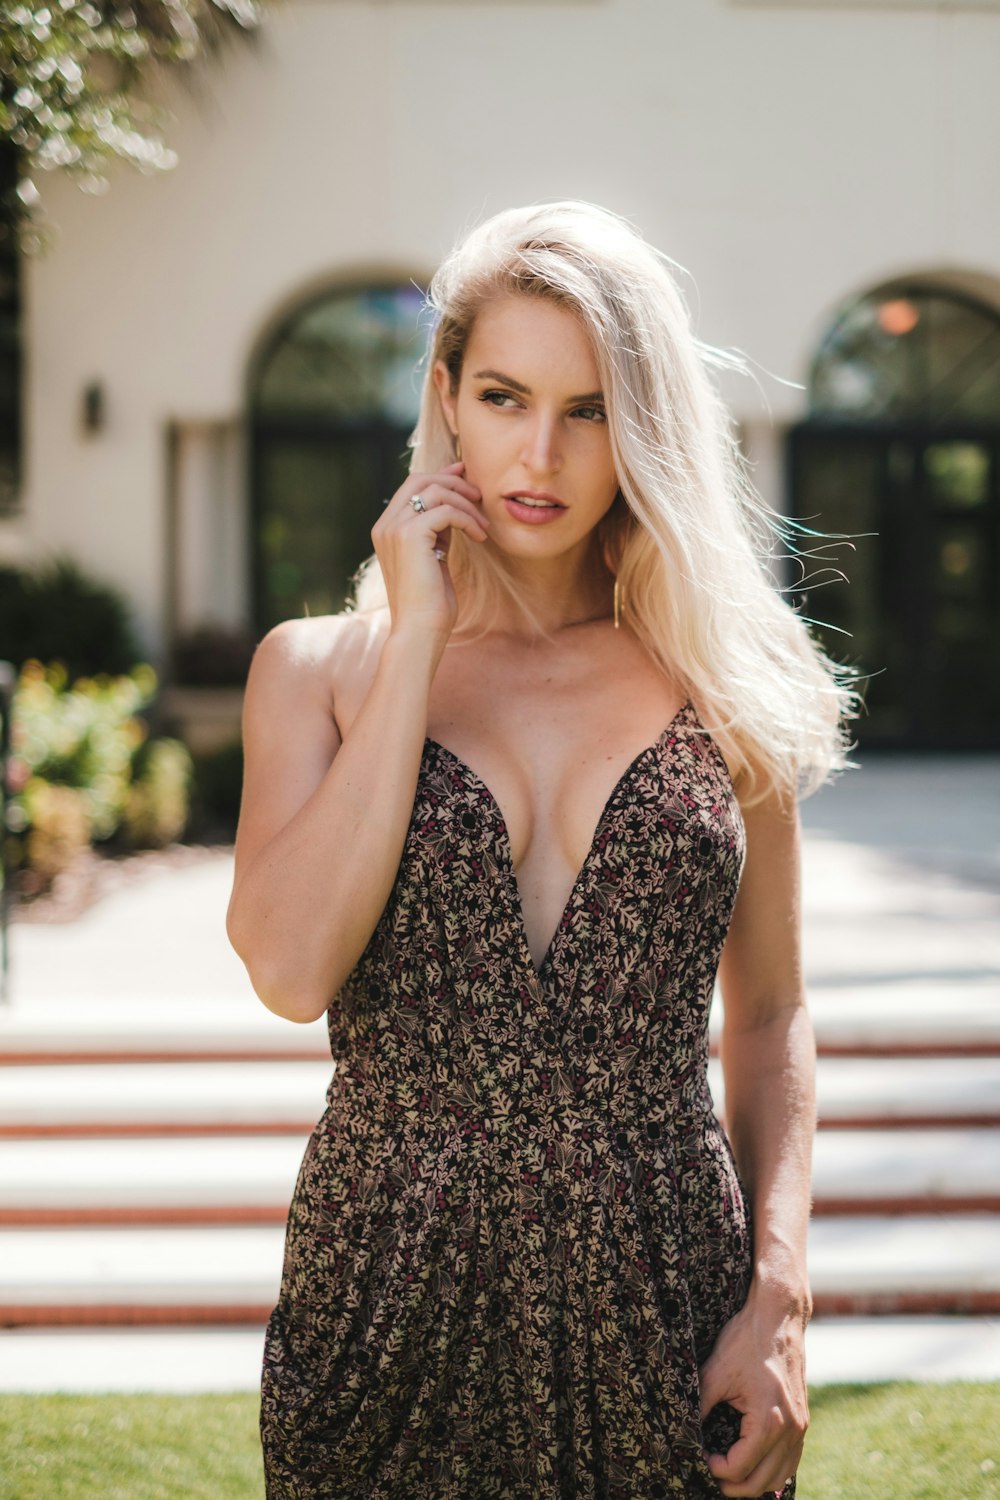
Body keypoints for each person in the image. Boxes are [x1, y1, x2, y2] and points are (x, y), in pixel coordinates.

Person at [226, 200, 858, 1500]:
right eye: (507, 396)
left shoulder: (725, 684)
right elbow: (291, 972)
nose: (542, 453)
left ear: (645, 422)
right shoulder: (319, 675)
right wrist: (414, 642)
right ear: (446, 393)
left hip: (671, 1292)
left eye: (590, 409)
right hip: (389, 1288)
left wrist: (780, 1297)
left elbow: (772, 1012)